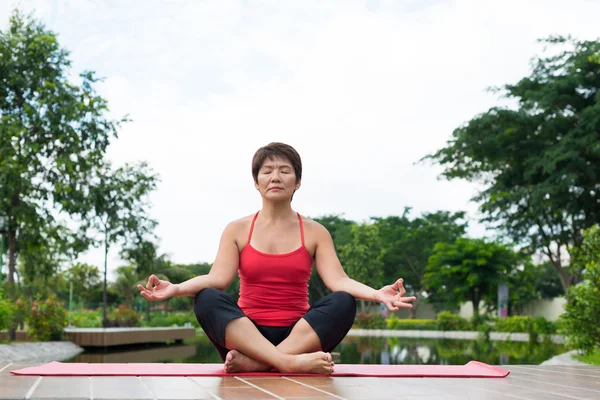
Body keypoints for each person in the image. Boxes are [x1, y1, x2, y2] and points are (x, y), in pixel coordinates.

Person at [138, 142, 416, 375]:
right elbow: (217, 279)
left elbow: (338, 281)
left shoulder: (315, 232)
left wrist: (377, 295)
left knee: (343, 302)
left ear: (298, 182)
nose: (275, 177)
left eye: (285, 171)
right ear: (256, 182)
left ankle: (260, 363)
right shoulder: (237, 229)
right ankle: (285, 362)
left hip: (301, 336)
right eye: (267, 171)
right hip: (246, 337)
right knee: (207, 297)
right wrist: (175, 288)